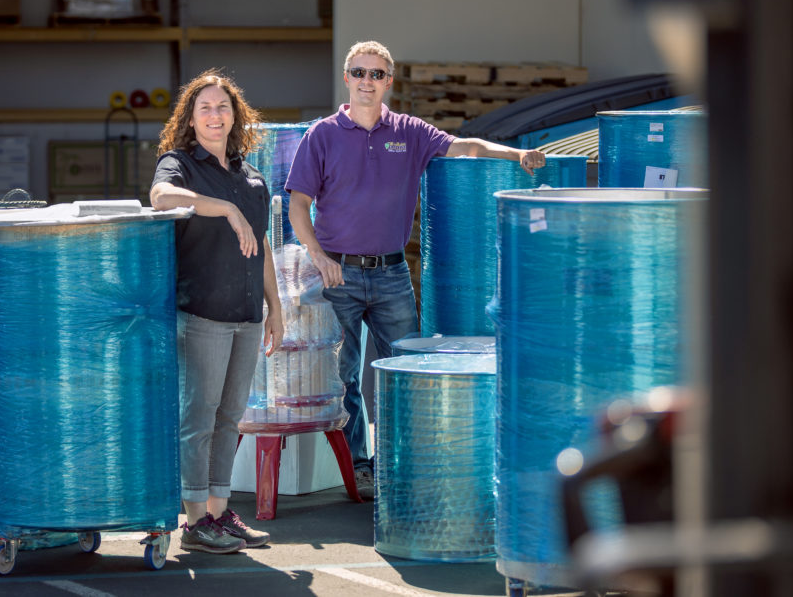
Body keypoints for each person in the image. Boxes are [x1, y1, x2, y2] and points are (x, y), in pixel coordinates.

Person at [285, 41, 546, 499]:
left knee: (407, 370)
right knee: (343, 378)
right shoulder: (322, 136)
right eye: (360, 72)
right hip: (336, 276)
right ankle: (360, 469)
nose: (368, 81)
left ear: (389, 82)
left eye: (378, 74)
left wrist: (514, 155)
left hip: (390, 276)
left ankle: (399, 465)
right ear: (347, 78)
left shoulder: (408, 132)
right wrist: (318, 258)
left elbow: (464, 146)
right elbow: (298, 205)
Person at [151, 69, 284, 553]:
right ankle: (193, 523)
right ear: (190, 118)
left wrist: (276, 308)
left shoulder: (252, 178)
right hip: (202, 313)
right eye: (204, 107)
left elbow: (264, 247)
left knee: (230, 418)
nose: (214, 115)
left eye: (222, 107)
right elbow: (160, 197)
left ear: (236, 115)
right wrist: (224, 210)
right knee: (199, 419)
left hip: (247, 316)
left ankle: (219, 513)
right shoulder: (179, 164)